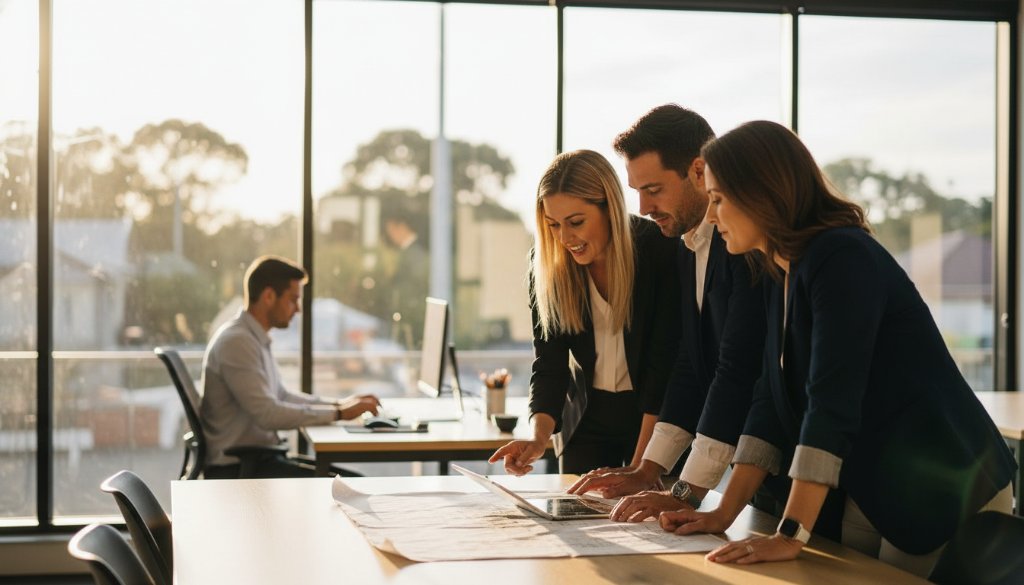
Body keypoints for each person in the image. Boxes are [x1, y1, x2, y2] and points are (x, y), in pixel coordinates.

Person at [660, 120, 1015, 578]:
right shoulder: (781, 269)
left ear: (762, 194)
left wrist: (790, 533)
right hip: (876, 481)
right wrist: (722, 514)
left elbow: (831, 402)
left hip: (941, 480)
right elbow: (769, 399)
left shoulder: (841, 257)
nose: (711, 216)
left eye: (718, 199)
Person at [564, 104, 776, 526]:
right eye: (637, 191)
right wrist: (649, 467)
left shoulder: (742, 247)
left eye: (654, 189)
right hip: (759, 473)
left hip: (798, 466)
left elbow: (737, 369)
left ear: (698, 172)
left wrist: (688, 491)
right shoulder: (684, 245)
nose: (642, 207)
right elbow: (690, 366)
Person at [488, 149, 681, 474]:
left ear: (610, 208)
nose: (565, 238)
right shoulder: (547, 266)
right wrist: (536, 440)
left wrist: (639, 470)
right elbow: (550, 364)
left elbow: (663, 369)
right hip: (586, 420)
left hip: (654, 418)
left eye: (576, 222)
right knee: (577, 521)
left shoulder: (659, 252)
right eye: (553, 225)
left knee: (649, 521)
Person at [200, 255, 381, 479]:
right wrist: (339, 413)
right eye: (293, 299)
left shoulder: (251, 338)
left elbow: (281, 396)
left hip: (260, 460)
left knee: (353, 482)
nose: (297, 309)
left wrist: (339, 404)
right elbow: (268, 414)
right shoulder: (237, 342)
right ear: (268, 296)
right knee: (354, 485)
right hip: (238, 470)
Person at [382, 200, 429, 348]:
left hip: (412, 321)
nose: (391, 236)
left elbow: (415, 288)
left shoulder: (414, 254)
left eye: (391, 231)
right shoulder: (407, 253)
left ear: (401, 227)